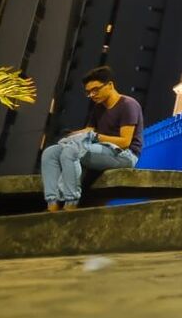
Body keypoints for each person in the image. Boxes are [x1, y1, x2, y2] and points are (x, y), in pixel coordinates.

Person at [40, 66, 144, 211]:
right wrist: (71, 136)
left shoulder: (128, 105)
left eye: (96, 90)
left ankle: (71, 203)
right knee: (51, 152)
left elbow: (125, 142)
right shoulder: (98, 107)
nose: (92, 95)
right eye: (88, 92)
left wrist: (95, 137)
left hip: (124, 155)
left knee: (72, 151)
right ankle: (52, 203)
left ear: (110, 85)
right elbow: (89, 130)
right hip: (100, 149)